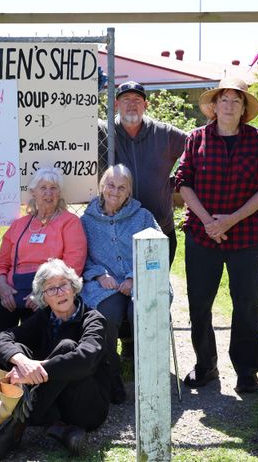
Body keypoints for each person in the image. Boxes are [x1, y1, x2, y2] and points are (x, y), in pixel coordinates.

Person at [175, 77, 258, 394]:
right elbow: (183, 183)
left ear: (244, 108)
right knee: (199, 304)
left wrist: (230, 220)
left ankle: (247, 371)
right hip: (202, 236)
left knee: (246, 304)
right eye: (224, 99)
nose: (229, 105)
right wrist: (208, 222)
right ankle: (206, 366)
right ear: (214, 106)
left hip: (245, 235)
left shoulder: (257, 140)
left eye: (236, 100)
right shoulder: (196, 139)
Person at [0, 259, 110, 459]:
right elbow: (1, 340)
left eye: (63, 285)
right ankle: (60, 430)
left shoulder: (93, 319)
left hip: (86, 407)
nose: (59, 293)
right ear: (43, 297)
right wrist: (23, 362)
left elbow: (86, 359)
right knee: (19, 350)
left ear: (74, 288)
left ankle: (14, 429)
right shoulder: (43, 317)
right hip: (51, 403)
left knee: (67, 347)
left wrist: (37, 370)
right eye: (51, 289)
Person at [0, 167, 87, 369]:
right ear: (33, 192)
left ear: (59, 193)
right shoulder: (19, 225)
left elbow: (73, 265)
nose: (48, 193)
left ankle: (31, 381)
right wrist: (3, 289)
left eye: (53, 188)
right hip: (14, 288)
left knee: (34, 323)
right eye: (43, 188)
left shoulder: (70, 223)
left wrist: (43, 295)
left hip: (49, 289)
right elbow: (0, 264)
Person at [79, 164, 159, 403]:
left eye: (121, 187)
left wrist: (134, 276)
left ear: (129, 192)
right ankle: (112, 378)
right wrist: (100, 274)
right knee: (106, 316)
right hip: (105, 286)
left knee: (144, 312)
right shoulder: (86, 220)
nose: (115, 191)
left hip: (141, 280)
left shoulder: (143, 216)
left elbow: (155, 250)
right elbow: (82, 256)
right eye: (111, 185)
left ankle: (150, 379)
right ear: (102, 187)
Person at [98, 81, 187, 265]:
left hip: (160, 231)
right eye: (126, 99)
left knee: (156, 289)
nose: (132, 104)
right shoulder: (104, 132)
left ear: (145, 105)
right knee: (121, 289)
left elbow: (196, 149)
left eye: (137, 100)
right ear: (116, 104)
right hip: (116, 232)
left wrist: (176, 182)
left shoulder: (163, 133)